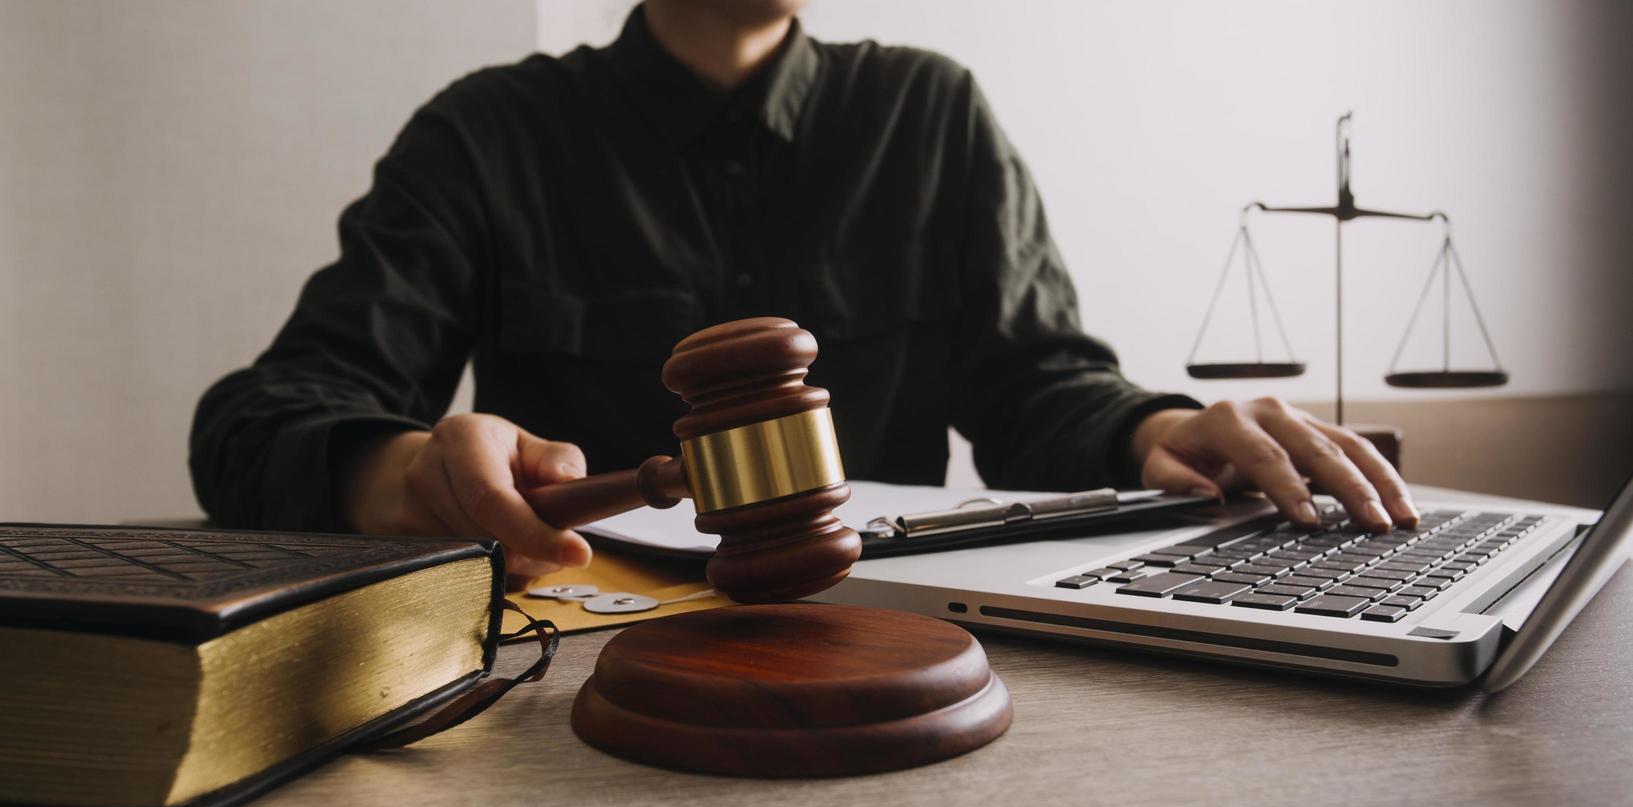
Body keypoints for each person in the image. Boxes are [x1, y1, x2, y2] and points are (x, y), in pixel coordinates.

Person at [190, 0, 1417, 582]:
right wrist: (401, 470)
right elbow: (259, 421)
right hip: (571, 678)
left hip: (901, 633)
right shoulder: (485, 135)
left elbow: (1031, 385)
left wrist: (1154, 426)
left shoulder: (929, 112)